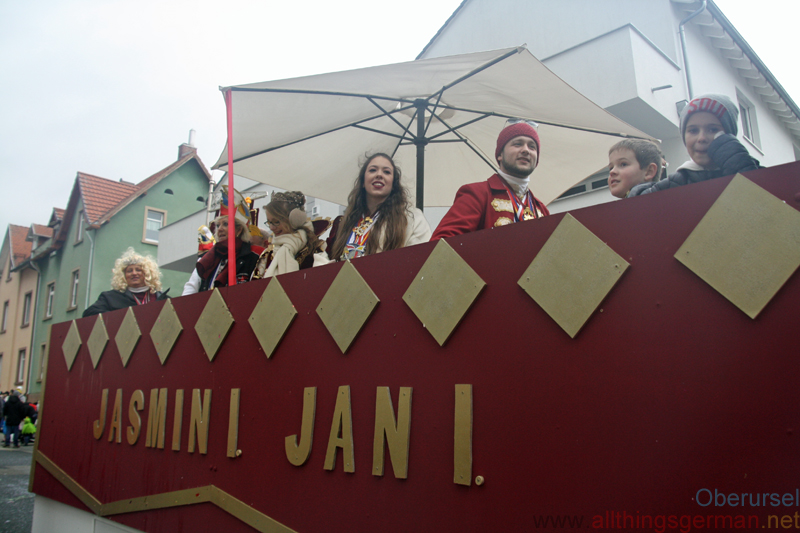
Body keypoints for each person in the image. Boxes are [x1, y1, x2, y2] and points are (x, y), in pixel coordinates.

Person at [431, 119, 549, 240]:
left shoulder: (542, 209)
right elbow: (441, 244)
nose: (526, 150)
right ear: (500, 155)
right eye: (517, 144)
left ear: (537, 160)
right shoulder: (477, 194)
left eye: (532, 147)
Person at [630, 94, 760, 197]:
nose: (702, 138)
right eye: (693, 130)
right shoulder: (675, 183)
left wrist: (737, 165)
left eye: (713, 129)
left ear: (728, 134)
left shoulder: (753, 170)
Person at [327, 153, 431, 261]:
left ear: (393, 184)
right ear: (363, 181)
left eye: (386, 172)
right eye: (373, 170)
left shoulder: (413, 219)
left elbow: (420, 260)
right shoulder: (347, 221)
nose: (379, 175)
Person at [251, 191, 331, 279]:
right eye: (269, 222)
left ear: (295, 219)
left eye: (276, 222)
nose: (271, 227)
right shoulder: (268, 255)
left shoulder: (316, 248)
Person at [83, 248, 168, 317]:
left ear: (147, 273)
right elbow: (89, 313)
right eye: (129, 271)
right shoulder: (110, 297)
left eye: (138, 270)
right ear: (123, 275)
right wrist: (120, 317)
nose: (134, 273)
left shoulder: (162, 298)